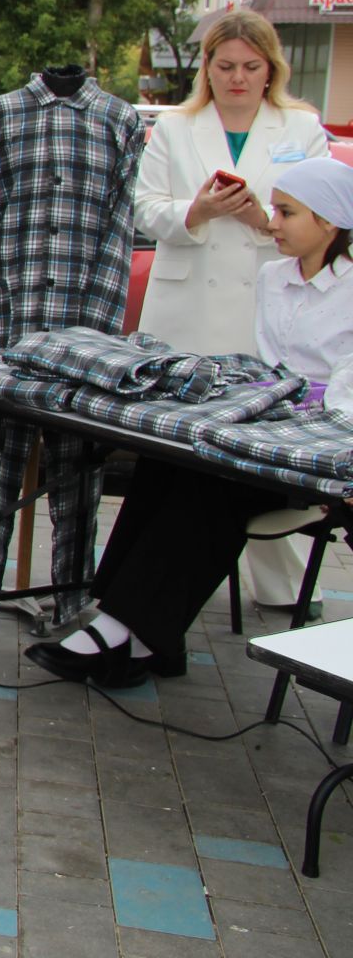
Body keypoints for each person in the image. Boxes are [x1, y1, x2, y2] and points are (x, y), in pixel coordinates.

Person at [27, 157, 353, 688]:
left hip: (311, 455)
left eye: (288, 212)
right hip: (265, 425)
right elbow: (271, 368)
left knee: (212, 485)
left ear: (330, 222)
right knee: (167, 461)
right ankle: (136, 629)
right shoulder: (273, 277)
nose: (272, 223)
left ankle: (124, 633)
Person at [132, 9, 329, 610]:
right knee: (175, 447)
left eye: (251, 66)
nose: (238, 78)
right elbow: (145, 208)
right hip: (185, 304)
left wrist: (262, 221)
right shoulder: (174, 127)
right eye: (225, 67)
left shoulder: (300, 126)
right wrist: (197, 211)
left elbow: (320, 217)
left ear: (271, 69)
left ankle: (282, 586)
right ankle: (152, 578)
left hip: (265, 301)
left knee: (265, 442)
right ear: (207, 70)